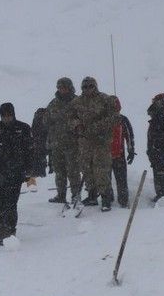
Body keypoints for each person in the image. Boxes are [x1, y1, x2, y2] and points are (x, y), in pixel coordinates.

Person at [0, 102, 33, 245]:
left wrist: (28, 170)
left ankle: (10, 230)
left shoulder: (23, 128)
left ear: (13, 114)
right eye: (4, 116)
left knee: (11, 203)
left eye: (9, 116)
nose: (7, 119)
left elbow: (29, 150)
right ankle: (1, 230)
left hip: (16, 172)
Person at [73, 77, 118, 211]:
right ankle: (92, 195)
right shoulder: (77, 102)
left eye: (90, 86)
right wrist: (77, 125)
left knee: (101, 169)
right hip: (85, 142)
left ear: (95, 86)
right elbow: (71, 117)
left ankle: (105, 197)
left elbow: (114, 117)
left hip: (101, 141)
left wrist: (97, 127)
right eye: (85, 87)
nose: (88, 90)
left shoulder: (105, 99)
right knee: (86, 168)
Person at [86, 97, 136, 207]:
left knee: (121, 180)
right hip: (104, 155)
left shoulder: (122, 120)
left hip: (119, 155)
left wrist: (131, 150)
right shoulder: (103, 121)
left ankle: (123, 201)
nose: (115, 111)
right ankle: (108, 199)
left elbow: (129, 135)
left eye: (116, 108)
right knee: (105, 180)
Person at [44, 77, 81, 205]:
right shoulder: (53, 103)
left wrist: (73, 123)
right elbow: (46, 120)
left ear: (69, 88)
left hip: (72, 143)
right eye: (59, 87)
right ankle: (61, 195)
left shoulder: (77, 102)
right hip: (57, 143)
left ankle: (76, 195)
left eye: (64, 87)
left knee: (73, 171)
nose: (61, 90)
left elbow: (83, 119)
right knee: (59, 171)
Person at [29, 107, 49, 179]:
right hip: (40, 144)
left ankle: (36, 178)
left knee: (38, 160)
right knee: (40, 160)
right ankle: (40, 177)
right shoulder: (43, 119)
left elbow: (33, 131)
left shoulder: (38, 118)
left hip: (38, 144)